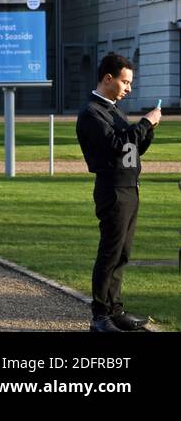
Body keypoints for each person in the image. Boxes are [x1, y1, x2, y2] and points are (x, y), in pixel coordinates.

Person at [76, 53, 161, 332]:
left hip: (129, 188)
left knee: (122, 253)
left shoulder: (113, 110)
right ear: (108, 78)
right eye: (125, 82)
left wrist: (146, 133)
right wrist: (144, 124)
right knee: (110, 253)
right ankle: (100, 316)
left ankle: (115, 309)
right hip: (112, 190)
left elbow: (129, 151)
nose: (128, 88)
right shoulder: (92, 113)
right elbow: (117, 145)